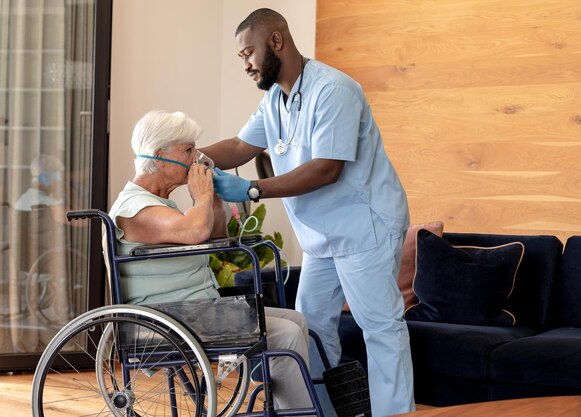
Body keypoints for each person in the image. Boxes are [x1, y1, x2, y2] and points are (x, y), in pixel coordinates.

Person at [201, 8, 415, 417]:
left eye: (248, 53)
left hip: (363, 227)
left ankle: (397, 413)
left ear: (276, 41)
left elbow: (326, 169)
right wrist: (183, 159)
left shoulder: (334, 90)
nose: (245, 65)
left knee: (381, 329)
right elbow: (240, 146)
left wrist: (252, 187)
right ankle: (317, 412)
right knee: (311, 329)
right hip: (321, 237)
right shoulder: (275, 100)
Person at [108, 110, 313, 410]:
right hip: (171, 319)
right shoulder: (134, 207)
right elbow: (195, 231)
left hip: (191, 309)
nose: (197, 157)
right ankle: (300, 413)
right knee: (287, 335)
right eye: (188, 150)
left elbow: (214, 233)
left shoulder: (157, 203)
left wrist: (212, 195)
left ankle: (288, 408)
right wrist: (201, 197)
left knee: (295, 320)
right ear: (159, 156)